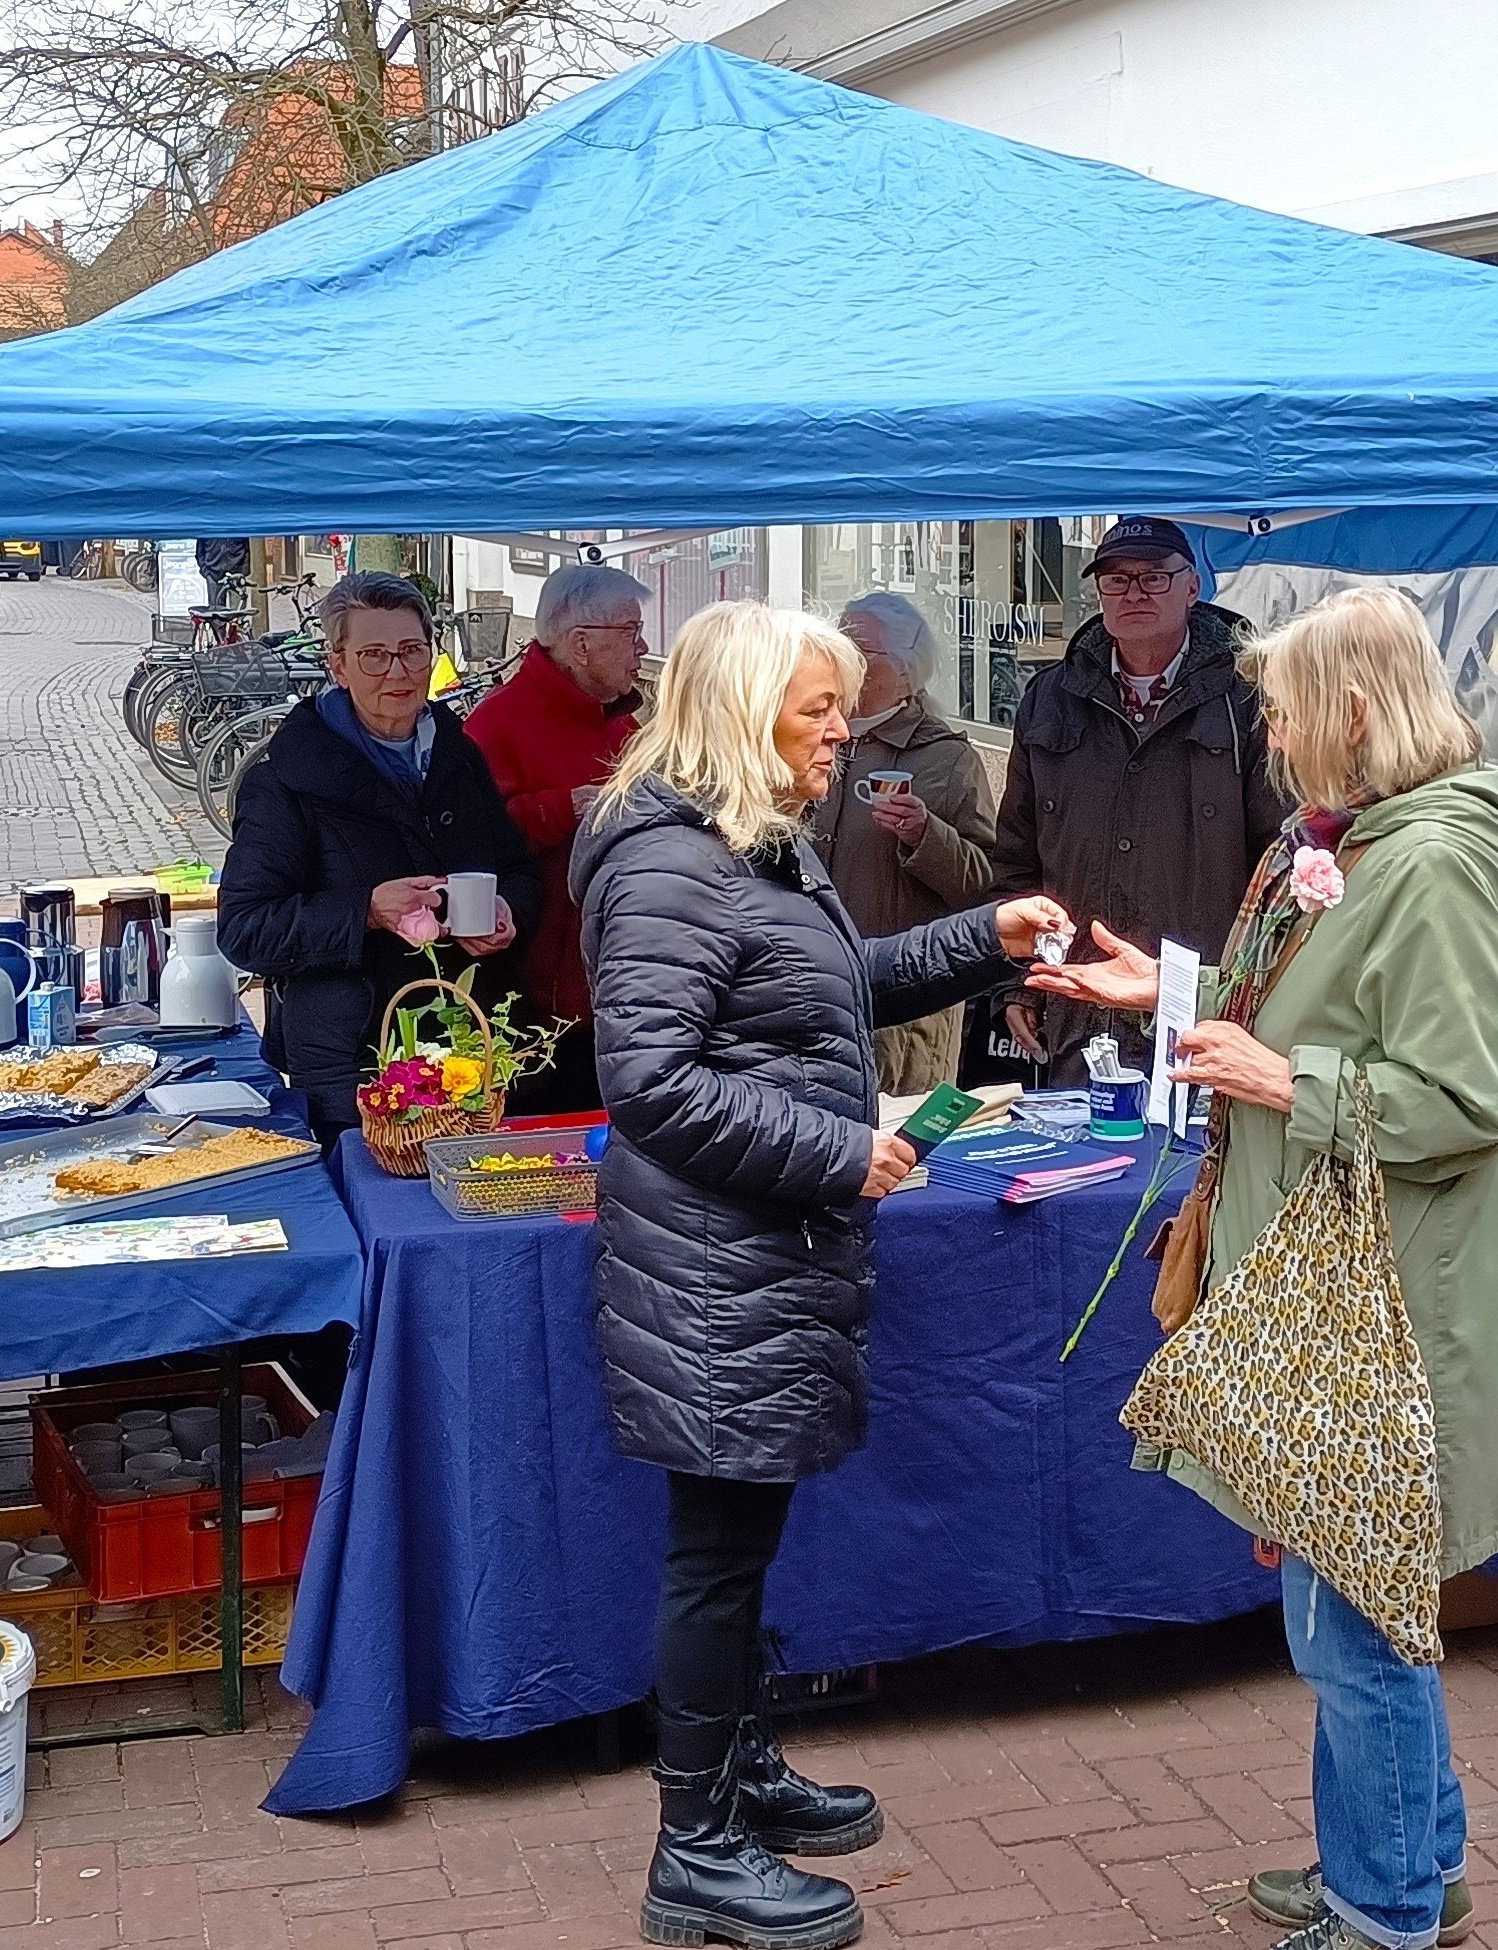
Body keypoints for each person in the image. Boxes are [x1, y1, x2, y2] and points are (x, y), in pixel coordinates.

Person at [1032, 585, 1498, 1950]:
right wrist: (1174, 1000)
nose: (1266, 728)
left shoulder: (1426, 863)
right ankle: (1408, 1865)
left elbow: (1466, 1097)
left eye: (1281, 704)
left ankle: (1379, 1909)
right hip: (1329, 1283)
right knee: (1365, 1598)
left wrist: (1280, 1074)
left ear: (1354, 711)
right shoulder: (1352, 841)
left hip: (1379, 1300)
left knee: (1351, 1620)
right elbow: (1309, 1012)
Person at [571, 601, 1071, 1950]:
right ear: (741, 714)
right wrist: (837, 1149)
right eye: (813, 709)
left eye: (840, 704)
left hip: (759, 1255)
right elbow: (652, 1086)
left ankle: (733, 1770)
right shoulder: (673, 865)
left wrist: (985, 937)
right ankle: (695, 1848)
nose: (840, 731)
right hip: (719, 1262)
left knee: (741, 1541)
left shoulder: (748, 845)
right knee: (714, 1556)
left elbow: (831, 985)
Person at [218, 571, 540, 1130]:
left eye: (413, 652)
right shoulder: (286, 781)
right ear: (337, 665)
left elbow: (518, 870)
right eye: (374, 655)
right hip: (353, 1064)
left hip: (468, 1044)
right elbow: (246, 929)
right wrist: (365, 910)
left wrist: (509, 910)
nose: (398, 672)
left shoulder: (459, 757)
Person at [993, 516, 1284, 1079]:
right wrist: (1016, 983)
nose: (1134, 593)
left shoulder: (1248, 698)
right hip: (1077, 1007)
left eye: (1153, 578)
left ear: (1193, 586)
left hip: (1203, 1013)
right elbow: (1016, 858)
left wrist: (1243, 990)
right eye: (1117, 580)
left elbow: (1278, 862)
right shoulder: (1050, 697)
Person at [465, 563, 651, 1114]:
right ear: (581, 644)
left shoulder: (620, 722)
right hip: (534, 1007)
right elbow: (473, 847)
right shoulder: (494, 724)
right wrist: (562, 807)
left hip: (619, 991)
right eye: (631, 632)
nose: (643, 648)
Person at [808, 592, 1000, 1094]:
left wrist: (925, 836)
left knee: (903, 1157)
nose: (842, 659)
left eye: (859, 649)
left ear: (904, 671)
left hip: (905, 1018)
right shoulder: (808, 741)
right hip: (814, 993)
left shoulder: (946, 759)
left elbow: (986, 886)